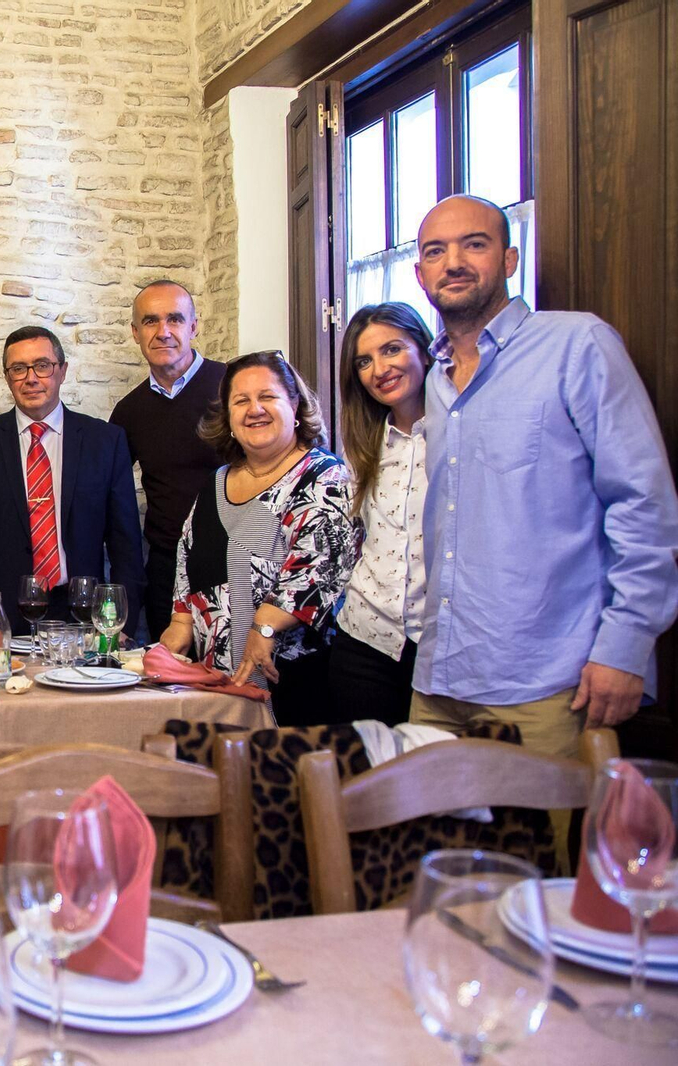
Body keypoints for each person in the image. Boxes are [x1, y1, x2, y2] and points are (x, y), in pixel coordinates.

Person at [409, 194, 678, 757]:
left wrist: (626, 644)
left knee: (539, 849)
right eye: (436, 251)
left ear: (509, 260)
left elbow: (643, 503)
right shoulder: (434, 381)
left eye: (473, 244)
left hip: (549, 682)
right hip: (438, 682)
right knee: (432, 845)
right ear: (420, 274)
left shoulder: (577, 345)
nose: (453, 262)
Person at [161, 351, 356, 725]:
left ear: (294, 404)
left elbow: (319, 569)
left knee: (289, 781)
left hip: (293, 686)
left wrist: (265, 624)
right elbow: (186, 559)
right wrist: (181, 624)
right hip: (218, 688)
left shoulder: (323, 478)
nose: (255, 410)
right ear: (230, 418)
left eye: (267, 397)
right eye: (241, 401)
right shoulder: (216, 483)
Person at [0, 325, 145, 634]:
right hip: (3, 616)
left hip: (84, 612)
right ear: (7, 377)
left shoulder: (105, 441)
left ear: (62, 371)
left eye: (42, 366)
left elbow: (125, 544)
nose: (31, 378)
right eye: (18, 369)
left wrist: (123, 620)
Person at [328, 304, 435, 726]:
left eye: (392, 350)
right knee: (364, 783)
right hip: (364, 641)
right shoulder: (363, 449)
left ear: (424, 350)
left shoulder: (460, 438)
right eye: (364, 361)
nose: (380, 369)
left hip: (439, 645)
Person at [109, 280, 227, 641]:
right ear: (135, 332)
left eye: (175, 320)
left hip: (232, 565)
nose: (163, 332)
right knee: (171, 686)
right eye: (150, 321)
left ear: (193, 327)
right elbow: (107, 496)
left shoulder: (232, 388)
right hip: (166, 572)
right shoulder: (129, 412)